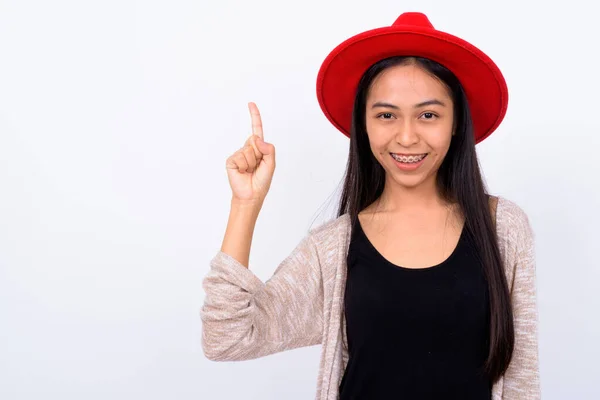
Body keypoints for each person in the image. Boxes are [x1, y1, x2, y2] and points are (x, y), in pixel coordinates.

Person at [201, 12, 540, 400]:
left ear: (457, 123)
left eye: (428, 115)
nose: (407, 136)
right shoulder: (333, 247)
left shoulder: (504, 228)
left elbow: (521, 379)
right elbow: (227, 338)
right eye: (386, 115)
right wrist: (245, 204)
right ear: (364, 124)